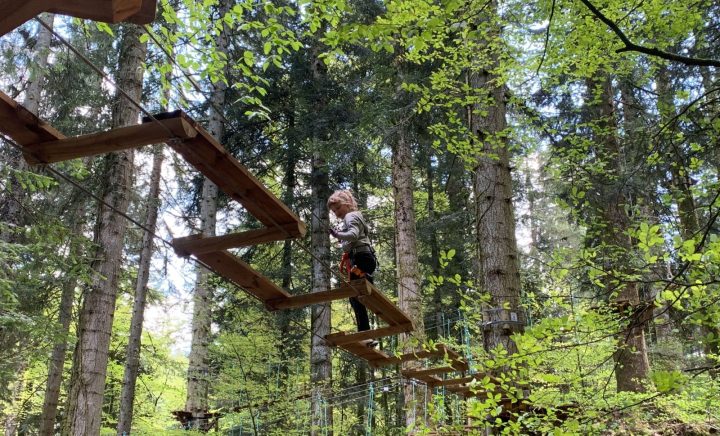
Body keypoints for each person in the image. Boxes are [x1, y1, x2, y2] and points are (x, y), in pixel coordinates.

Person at [327, 190, 378, 339]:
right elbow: (355, 236)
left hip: (361, 258)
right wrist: (344, 240)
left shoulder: (350, 216)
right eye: (334, 211)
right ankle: (366, 332)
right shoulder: (356, 216)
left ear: (348, 204)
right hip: (366, 258)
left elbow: (354, 234)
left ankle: (365, 334)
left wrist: (337, 234)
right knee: (357, 295)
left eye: (338, 208)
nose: (337, 213)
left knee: (354, 296)